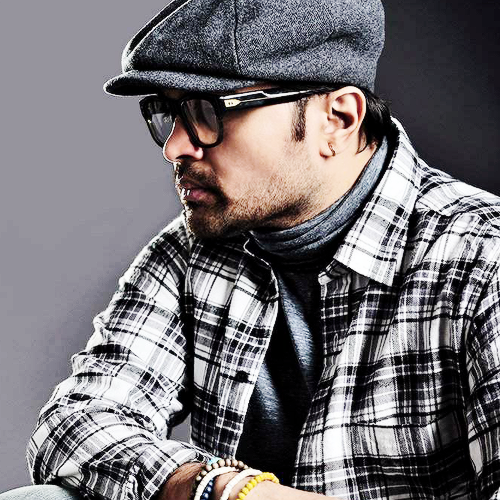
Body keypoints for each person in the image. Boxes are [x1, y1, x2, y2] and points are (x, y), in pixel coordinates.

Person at [3, 0, 500, 499]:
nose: (174, 146)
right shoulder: (192, 252)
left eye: (206, 112)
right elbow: (76, 421)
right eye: (167, 112)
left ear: (337, 119)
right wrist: (219, 488)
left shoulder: (481, 257)